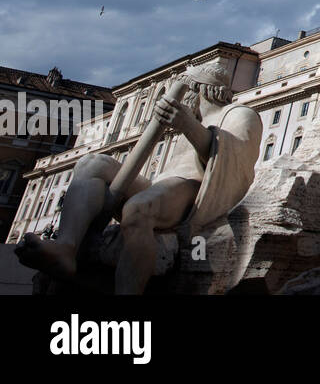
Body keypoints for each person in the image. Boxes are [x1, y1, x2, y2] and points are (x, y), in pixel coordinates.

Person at [16, 62, 261, 294]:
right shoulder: (193, 119)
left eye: (186, 88)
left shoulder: (240, 114)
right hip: (162, 185)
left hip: (196, 194)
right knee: (92, 163)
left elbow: (232, 160)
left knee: (138, 208)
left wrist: (187, 124)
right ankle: (66, 248)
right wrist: (186, 122)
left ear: (199, 89)